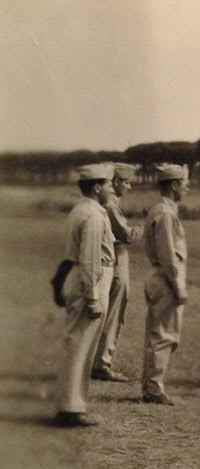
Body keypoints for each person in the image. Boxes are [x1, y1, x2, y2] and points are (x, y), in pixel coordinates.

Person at [55, 164, 116, 427]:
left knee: (77, 345)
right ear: (97, 187)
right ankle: (71, 408)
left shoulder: (82, 209)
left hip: (83, 279)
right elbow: (90, 258)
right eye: (110, 184)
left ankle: (72, 405)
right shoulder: (92, 215)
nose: (112, 189)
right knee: (80, 346)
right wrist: (93, 298)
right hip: (90, 281)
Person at [142, 164, 189, 405]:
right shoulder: (166, 213)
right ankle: (154, 388)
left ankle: (150, 385)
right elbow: (168, 254)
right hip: (166, 279)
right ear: (174, 185)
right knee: (165, 335)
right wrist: (178, 285)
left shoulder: (159, 210)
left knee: (158, 332)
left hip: (158, 277)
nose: (187, 188)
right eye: (184, 184)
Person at [91, 162, 143, 382]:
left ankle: (98, 361)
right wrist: (142, 228)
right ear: (115, 182)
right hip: (115, 256)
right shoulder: (111, 205)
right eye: (127, 182)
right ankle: (101, 363)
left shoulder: (110, 203)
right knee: (114, 311)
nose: (129, 187)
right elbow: (126, 235)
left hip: (114, 256)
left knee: (111, 310)